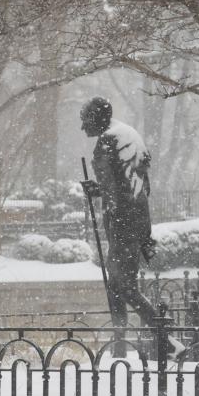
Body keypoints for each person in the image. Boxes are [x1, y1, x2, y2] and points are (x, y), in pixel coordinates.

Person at [80, 97, 159, 333]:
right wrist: (100, 189)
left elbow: (116, 191)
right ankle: (120, 344)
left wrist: (98, 191)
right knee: (117, 284)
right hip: (137, 221)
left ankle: (163, 334)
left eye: (85, 121)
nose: (83, 127)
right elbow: (138, 186)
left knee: (122, 286)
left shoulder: (108, 140)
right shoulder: (130, 136)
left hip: (122, 223)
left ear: (95, 118)